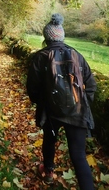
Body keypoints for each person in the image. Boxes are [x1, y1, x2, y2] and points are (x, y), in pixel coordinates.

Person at [26, 13, 97, 190]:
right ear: (62, 36)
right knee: (79, 155)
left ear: (46, 37)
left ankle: (48, 171)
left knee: (50, 139)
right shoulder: (77, 55)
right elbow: (91, 85)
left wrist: (42, 102)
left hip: (51, 111)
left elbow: (32, 87)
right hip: (77, 111)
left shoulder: (40, 57)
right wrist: (80, 103)